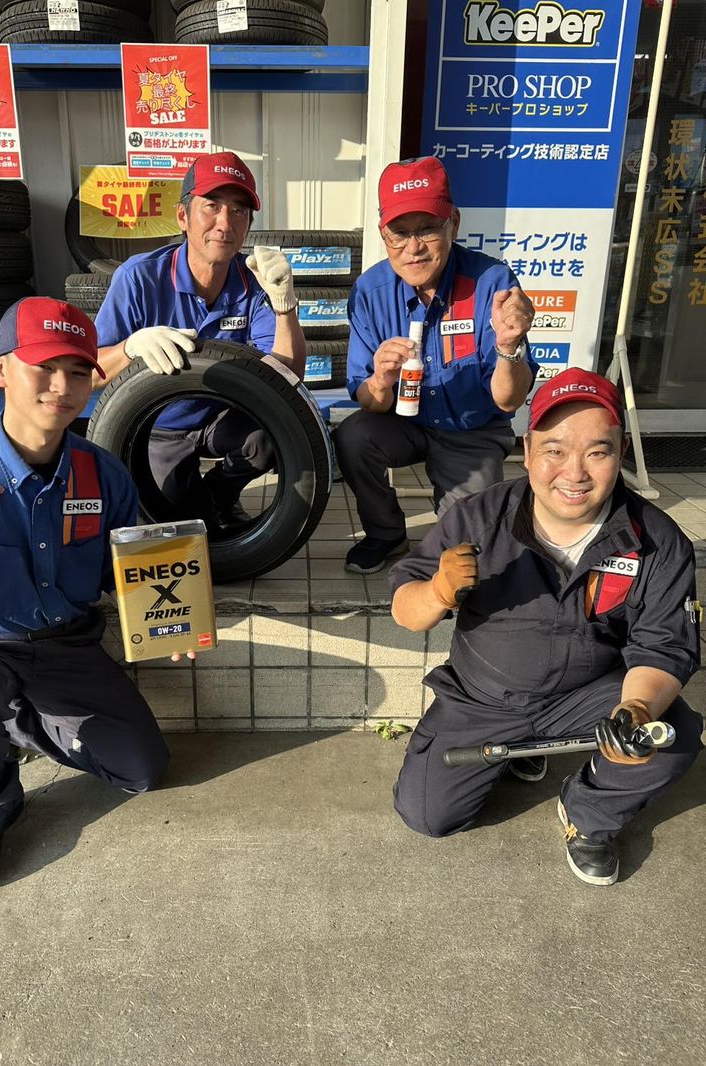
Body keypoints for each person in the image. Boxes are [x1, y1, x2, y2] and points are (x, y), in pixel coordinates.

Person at [388, 368, 703, 886]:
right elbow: (405, 610)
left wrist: (637, 707)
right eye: (555, 450)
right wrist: (438, 592)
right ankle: (513, 756)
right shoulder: (478, 516)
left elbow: (664, 646)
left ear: (621, 451)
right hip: (482, 700)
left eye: (597, 452)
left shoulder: (659, 541)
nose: (574, 472)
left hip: (588, 696)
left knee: (673, 735)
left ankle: (589, 812)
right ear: (528, 450)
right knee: (427, 816)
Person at [0, 297, 171, 894]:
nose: (61, 387)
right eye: (44, 367)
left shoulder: (104, 476)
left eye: (77, 371)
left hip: (66, 647)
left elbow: (124, 576)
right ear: (1, 370)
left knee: (142, 770)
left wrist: (168, 620)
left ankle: (20, 723)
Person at [334, 155, 538, 575]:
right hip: (403, 421)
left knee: (468, 554)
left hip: (473, 430)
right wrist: (381, 380)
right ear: (383, 234)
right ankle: (385, 533)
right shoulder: (370, 290)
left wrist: (508, 345)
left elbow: (508, 400)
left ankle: (452, 532)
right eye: (399, 233)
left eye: (427, 228)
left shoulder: (492, 283)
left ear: (453, 224)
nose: (413, 248)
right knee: (353, 436)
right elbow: (368, 399)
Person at [94, 150, 306, 530]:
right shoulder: (139, 278)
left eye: (238, 211)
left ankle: (221, 492)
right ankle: (200, 499)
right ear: (183, 216)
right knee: (188, 522)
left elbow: (287, 377)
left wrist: (285, 306)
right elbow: (92, 372)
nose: (225, 223)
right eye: (212, 206)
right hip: (159, 425)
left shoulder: (254, 281)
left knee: (274, 433)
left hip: (222, 416)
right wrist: (130, 348)